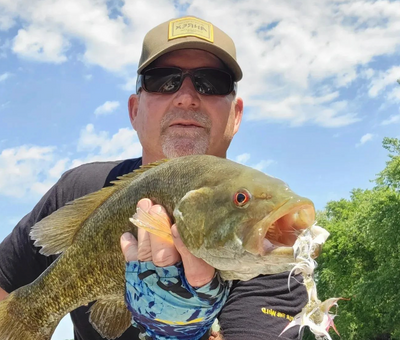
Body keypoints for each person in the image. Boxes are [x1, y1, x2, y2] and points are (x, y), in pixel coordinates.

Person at [0, 16, 307, 340]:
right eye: (164, 80)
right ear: (134, 110)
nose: (187, 97)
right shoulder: (77, 189)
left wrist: (184, 331)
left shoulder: (274, 256)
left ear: (236, 116)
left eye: (211, 82)